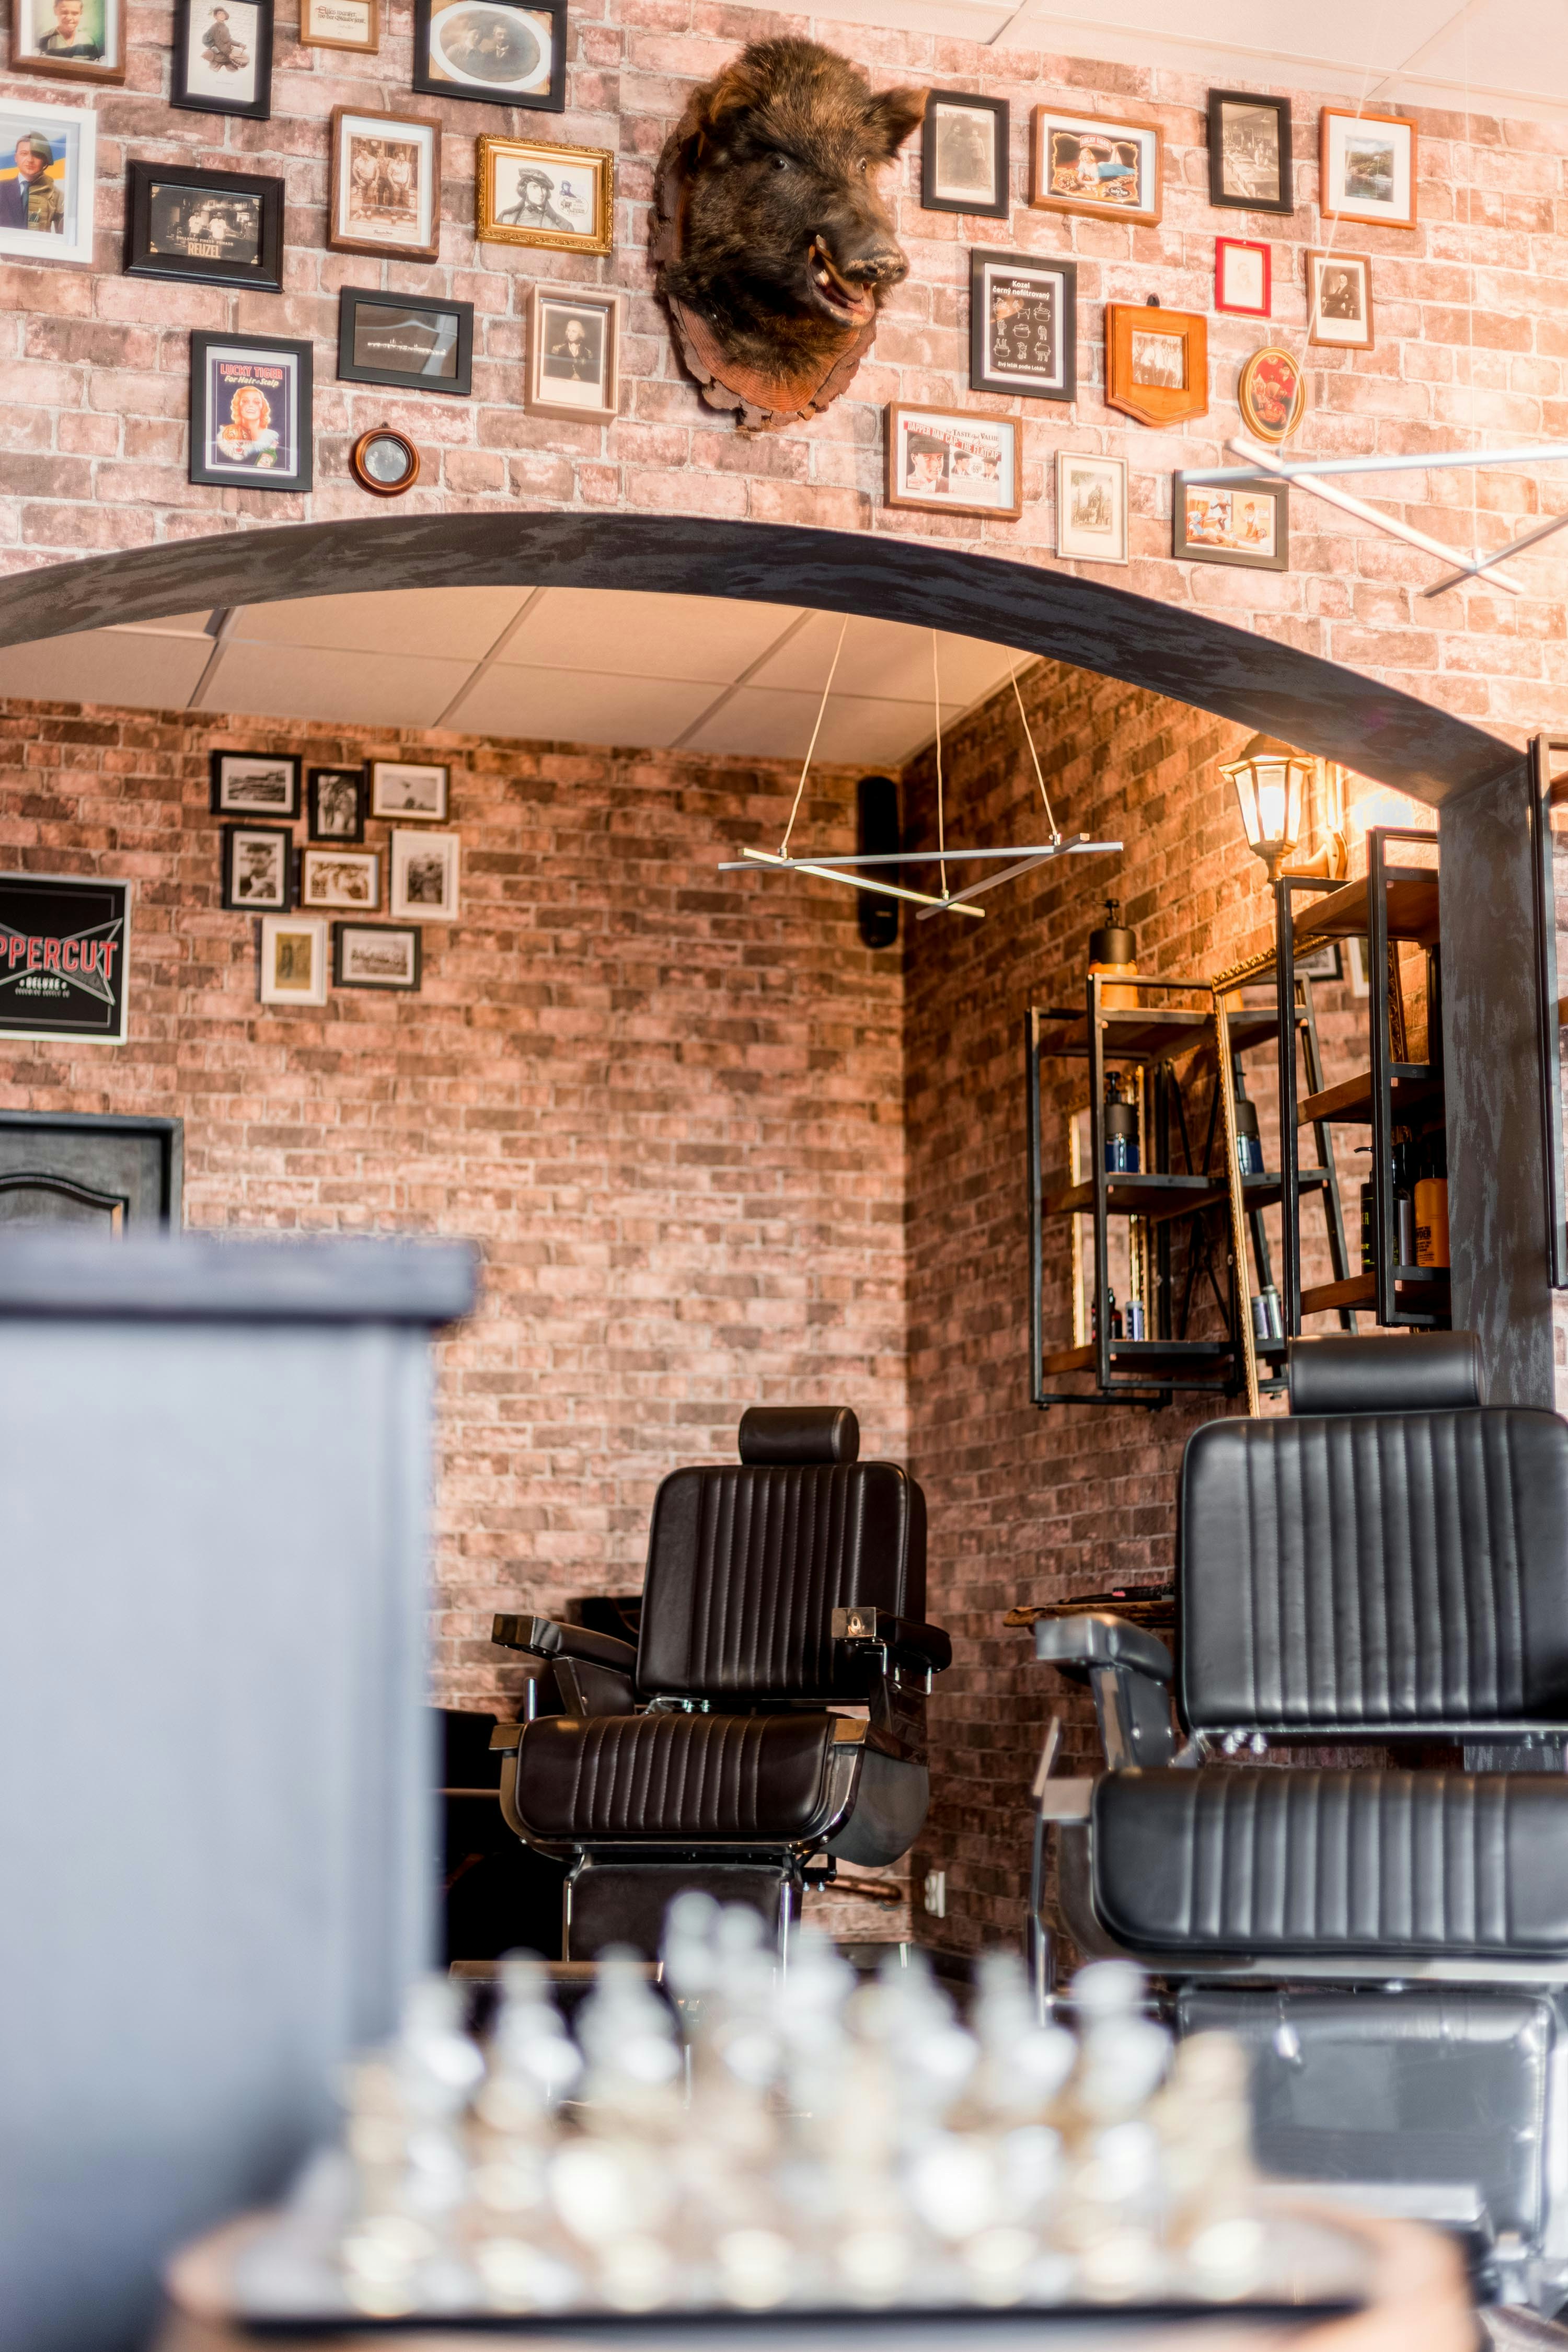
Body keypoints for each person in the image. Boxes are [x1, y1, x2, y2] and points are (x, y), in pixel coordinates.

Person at [0, 133, 63, 235]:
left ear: (45, 161)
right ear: (16, 157)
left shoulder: (56, 195)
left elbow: (65, 238)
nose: (30, 160)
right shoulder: (1, 189)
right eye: (24, 154)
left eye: (37, 155)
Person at [214, 382, 279, 468]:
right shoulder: (224, 436)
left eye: (257, 402)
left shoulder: (273, 436)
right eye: (245, 401)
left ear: (263, 407)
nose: (251, 405)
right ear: (238, 406)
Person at [497, 167, 569, 232]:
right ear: (525, 189)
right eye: (534, 187)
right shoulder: (506, 218)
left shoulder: (565, 227)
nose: (540, 193)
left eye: (543, 188)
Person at [35, 0, 104, 60]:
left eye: (75, 13)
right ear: (55, 11)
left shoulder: (89, 42)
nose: (69, 18)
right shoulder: (44, 41)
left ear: (81, 13)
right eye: (64, 12)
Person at [544, 316, 596, 380]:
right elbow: (551, 374)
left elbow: (591, 375)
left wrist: (581, 378)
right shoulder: (557, 350)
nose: (570, 334)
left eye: (574, 331)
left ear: (580, 334)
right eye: (569, 331)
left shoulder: (588, 353)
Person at [201, 6, 249, 72]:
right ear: (215, 16)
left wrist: (240, 44)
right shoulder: (214, 27)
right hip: (219, 57)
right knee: (212, 71)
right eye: (219, 14)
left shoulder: (225, 27)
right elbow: (219, 43)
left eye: (223, 13)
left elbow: (229, 40)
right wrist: (229, 54)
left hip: (228, 56)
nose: (222, 15)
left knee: (234, 71)